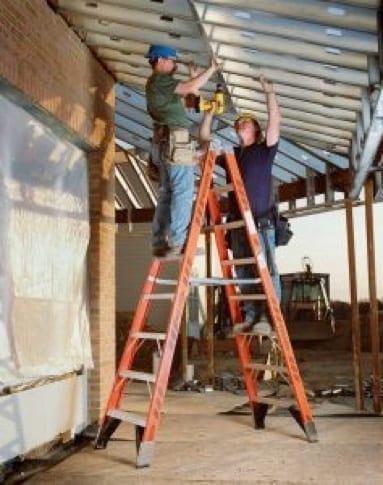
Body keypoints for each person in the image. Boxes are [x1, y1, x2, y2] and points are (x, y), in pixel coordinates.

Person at [199, 75, 281, 335]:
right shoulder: (233, 155)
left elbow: (275, 122)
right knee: (244, 271)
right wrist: (210, 113)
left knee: (266, 269)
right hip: (238, 223)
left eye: (245, 122)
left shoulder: (265, 150)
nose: (240, 124)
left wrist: (269, 92)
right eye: (238, 123)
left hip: (261, 220)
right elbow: (204, 139)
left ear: (255, 129)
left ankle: (271, 317)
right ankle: (251, 317)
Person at [145, 44, 220, 257]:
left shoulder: (160, 85)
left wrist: (193, 77)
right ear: (159, 60)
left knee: (167, 194)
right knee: (183, 192)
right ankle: (178, 242)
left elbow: (189, 98)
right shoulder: (160, 80)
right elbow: (187, 89)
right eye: (172, 60)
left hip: (164, 142)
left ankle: (160, 242)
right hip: (174, 142)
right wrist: (211, 70)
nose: (174, 63)